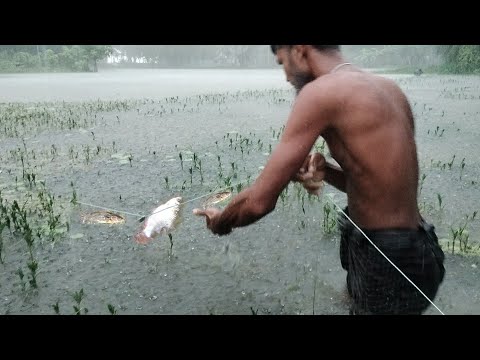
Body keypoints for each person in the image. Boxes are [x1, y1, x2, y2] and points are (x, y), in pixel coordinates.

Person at [193, 45, 445, 315]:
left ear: (299, 50)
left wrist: (221, 222)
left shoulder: (320, 92)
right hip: (416, 248)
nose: (286, 76)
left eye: (282, 62)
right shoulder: (387, 88)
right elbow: (379, 188)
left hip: (388, 259)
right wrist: (327, 171)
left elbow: (258, 203)